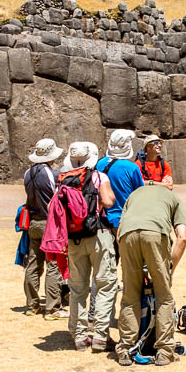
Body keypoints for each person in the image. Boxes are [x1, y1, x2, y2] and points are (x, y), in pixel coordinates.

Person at [112, 183, 186, 365]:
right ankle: (164, 350)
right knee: (164, 297)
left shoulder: (134, 195)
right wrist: (169, 269)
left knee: (130, 296)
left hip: (126, 236)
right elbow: (182, 237)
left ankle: (125, 349)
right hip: (156, 233)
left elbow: (119, 234)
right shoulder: (173, 198)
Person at [60, 141, 119, 352]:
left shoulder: (64, 180)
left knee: (77, 289)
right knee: (104, 285)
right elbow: (109, 201)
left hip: (74, 238)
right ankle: (101, 337)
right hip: (98, 236)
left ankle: (79, 336)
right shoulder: (98, 176)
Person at [20, 139, 67, 317]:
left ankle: (31, 305)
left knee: (33, 263)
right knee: (53, 264)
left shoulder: (27, 173)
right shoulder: (52, 175)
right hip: (50, 224)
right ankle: (52, 307)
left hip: (33, 222)